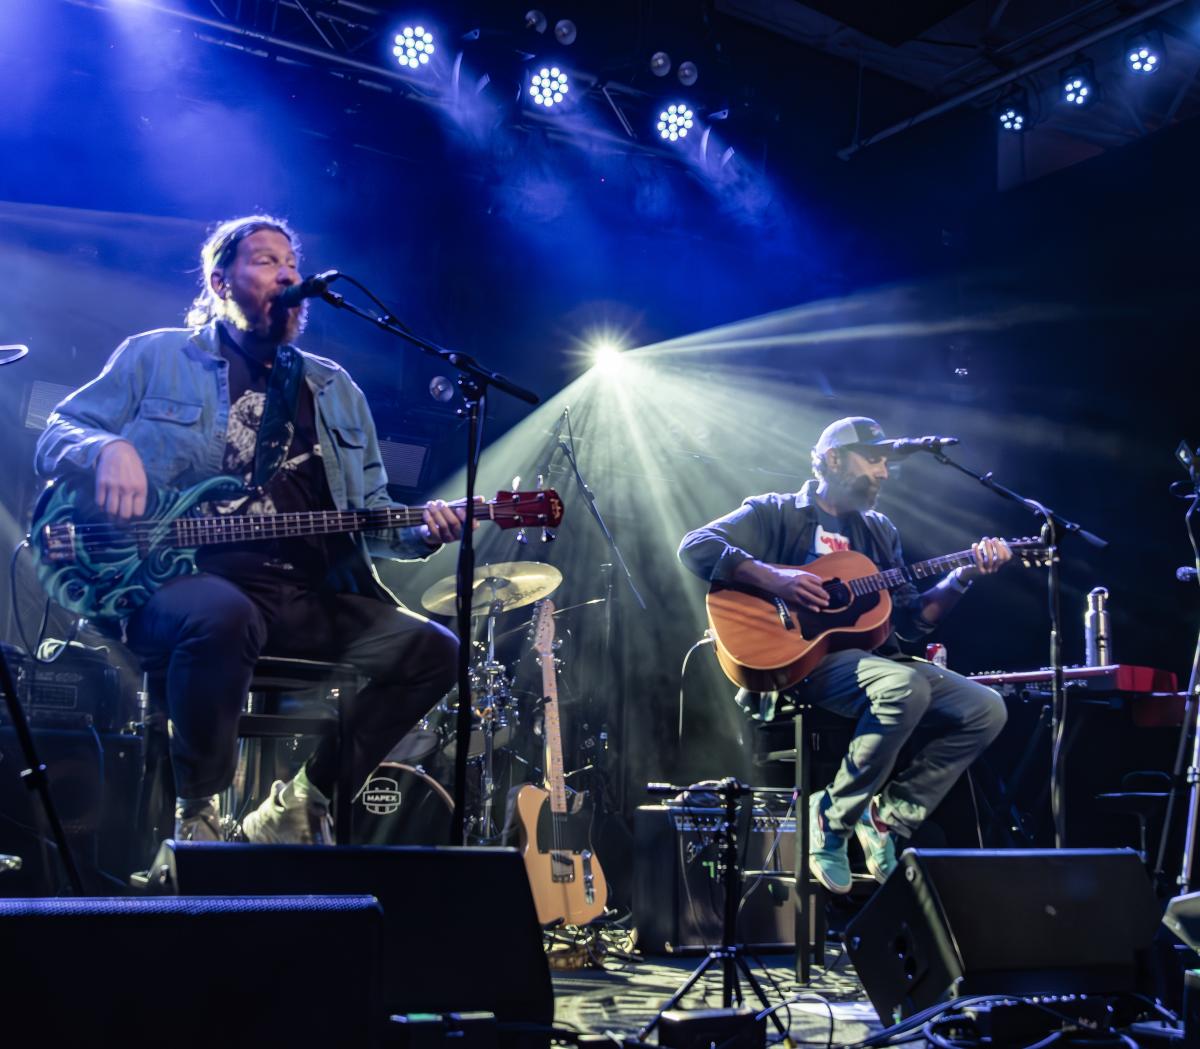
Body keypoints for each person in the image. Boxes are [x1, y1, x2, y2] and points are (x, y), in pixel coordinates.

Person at [35, 215, 467, 845]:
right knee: (223, 614)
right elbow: (57, 432)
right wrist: (103, 449)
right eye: (266, 261)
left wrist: (424, 531)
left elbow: (371, 515)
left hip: (299, 598)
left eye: (290, 262)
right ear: (220, 282)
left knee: (438, 652)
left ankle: (298, 805)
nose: (287, 273)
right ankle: (199, 812)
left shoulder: (334, 389)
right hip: (171, 584)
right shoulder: (155, 356)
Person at [678, 416, 1010, 893]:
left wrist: (962, 578)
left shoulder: (878, 532)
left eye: (887, 463)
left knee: (986, 708)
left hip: (874, 664)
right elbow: (695, 546)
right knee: (905, 687)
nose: (884, 472)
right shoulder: (776, 511)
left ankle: (887, 817)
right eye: (874, 459)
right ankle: (830, 820)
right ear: (833, 459)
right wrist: (776, 578)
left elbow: (912, 623)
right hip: (796, 664)